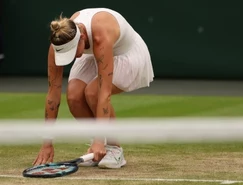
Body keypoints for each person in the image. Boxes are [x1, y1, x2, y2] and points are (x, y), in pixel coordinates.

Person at [32, 8, 154, 169]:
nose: (73, 56)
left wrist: (99, 139)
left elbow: (104, 93)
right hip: (91, 53)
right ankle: (98, 148)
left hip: (126, 54)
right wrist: (47, 142)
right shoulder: (59, 41)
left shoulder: (100, 35)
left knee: (93, 92)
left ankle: (114, 149)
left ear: (82, 38)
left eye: (73, 51)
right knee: (74, 96)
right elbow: (53, 95)